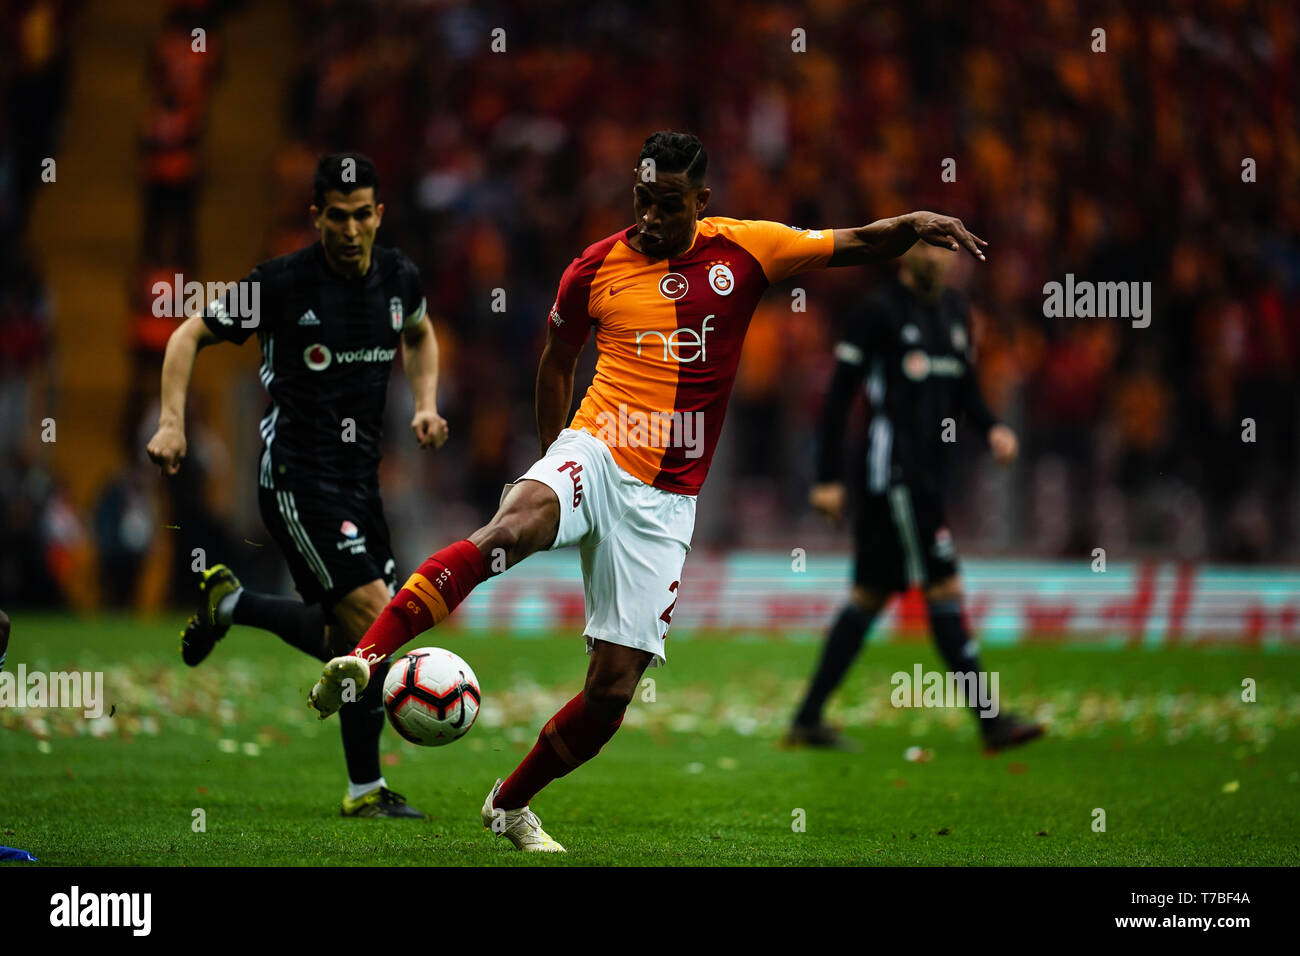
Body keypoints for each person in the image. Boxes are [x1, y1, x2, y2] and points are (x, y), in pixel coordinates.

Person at [308, 130, 988, 851]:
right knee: (509, 528)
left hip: (664, 502)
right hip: (595, 449)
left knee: (610, 692)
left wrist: (913, 224)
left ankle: (509, 804)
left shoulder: (749, 248)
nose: (652, 218)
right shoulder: (594, 268)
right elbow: (556, 362)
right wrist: (555, 463)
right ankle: (367, 659)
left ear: (702, 201)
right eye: (642, 201)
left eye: (669, 205)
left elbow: (852, 243)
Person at [146, 153, 448, 818]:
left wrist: (425, 403)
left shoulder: (399, 278)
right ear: (316, 217)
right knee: (378, 619)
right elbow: (189, 333)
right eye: (335, 217)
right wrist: (173, 425)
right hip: (295, 481)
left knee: (350, 642)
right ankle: (366, 792)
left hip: (361, 486)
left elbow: (421, 334)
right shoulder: (280, 284)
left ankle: (236, 606)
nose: (348, 229)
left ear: (379, 215)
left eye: (361, 215)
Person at [785, 242, 1044, 753]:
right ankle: (991, 722)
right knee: (943, 586)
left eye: (949, 248)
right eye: (930, 244)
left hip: (928, 475)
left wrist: (992, 428)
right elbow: (839, 395)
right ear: (905, 252)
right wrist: (828, 477)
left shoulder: (954, 312)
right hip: (894, 475)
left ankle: (808, 717)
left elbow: (965, 386)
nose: (942, 256)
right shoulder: (877, 314)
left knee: (870, 595)